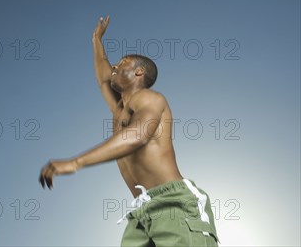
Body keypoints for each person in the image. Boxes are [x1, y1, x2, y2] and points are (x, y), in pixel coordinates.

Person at [39, 16, 220, 246]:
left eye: (123, 62)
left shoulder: (150, 99)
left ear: (139, 72)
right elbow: (103, 77)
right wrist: (96, 39)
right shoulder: (119, 109)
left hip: (174, 203)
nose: (115, 65)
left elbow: (137, 135)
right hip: (142, 213)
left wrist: (76, 163)